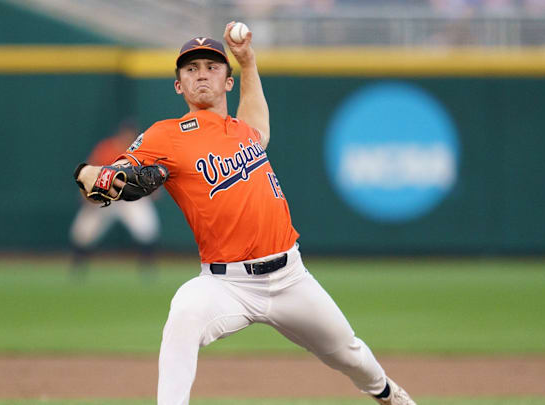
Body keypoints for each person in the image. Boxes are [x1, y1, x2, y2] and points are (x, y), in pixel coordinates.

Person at [74, 22, 417, 405]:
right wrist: (105, 177)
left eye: (212, 67)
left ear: (228, 82)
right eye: (190, 69)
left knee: (350, 354)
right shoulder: (164, 135)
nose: (201, 74)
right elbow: (95, 177)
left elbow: (259, 123)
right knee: (185, 311)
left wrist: (248, 61)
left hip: (291, 279)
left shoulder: (245, 131)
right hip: (225, 284)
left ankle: (388, 395)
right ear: (178, 85)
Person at [69, 119, 160, 274]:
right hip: (107, 195)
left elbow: (152, 176)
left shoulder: (141, 151)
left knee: (147, 227)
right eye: (126, 133)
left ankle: (147, 267)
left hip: (130, 197)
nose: (128, 136)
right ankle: (78, 266)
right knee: (84, 230)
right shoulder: (107, 149)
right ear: (120, 133)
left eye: (131, 134)